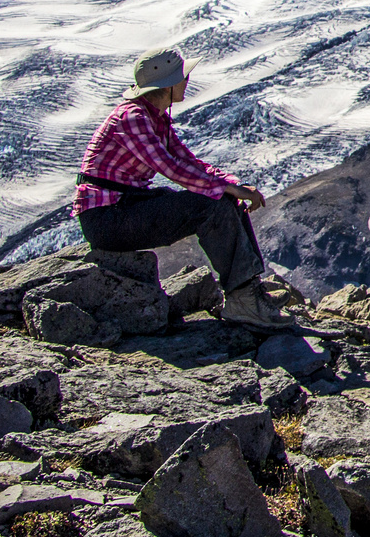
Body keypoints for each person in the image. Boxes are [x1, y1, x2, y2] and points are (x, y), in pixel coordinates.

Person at [72, 46, 294, 329]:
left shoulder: (154, 117)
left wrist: (232, 185)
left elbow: (187, 161)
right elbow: (170, 168)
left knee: (223, 200)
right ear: (169, 84)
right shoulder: (133, 118)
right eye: (183, 77)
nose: (187, 82)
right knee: (210, 205)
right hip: (108, 219)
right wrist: (223, 189)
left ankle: (249, 292)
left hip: (124, 207)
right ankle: (244, 302)